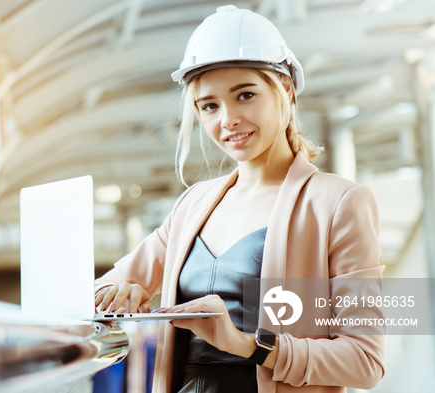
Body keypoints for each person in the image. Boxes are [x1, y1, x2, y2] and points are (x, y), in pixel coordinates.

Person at [94, 5, 385, 393]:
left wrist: (251, 345)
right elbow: (99, 293)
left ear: (284, 89)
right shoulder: (192, 206)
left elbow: (365, 361)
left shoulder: (338, 204)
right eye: (209, 105)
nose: (227, 119)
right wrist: (120, 295)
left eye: (244, 95)